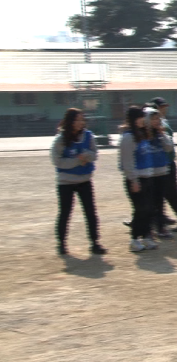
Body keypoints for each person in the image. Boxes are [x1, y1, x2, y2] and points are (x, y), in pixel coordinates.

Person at [51, 108, 106, 256]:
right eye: (77, 120)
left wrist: (87, 155)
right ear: (70, 121)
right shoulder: (61, 139)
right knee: (65, 212)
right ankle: (61, 243)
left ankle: (95, 242)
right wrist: (77, 161)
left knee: (90, 212)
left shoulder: (88, 136)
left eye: (82, 119)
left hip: (84, 180)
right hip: (66, 182)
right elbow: (57, 161)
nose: (81, 122)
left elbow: (94, 154)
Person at [119, 106, 171, 252]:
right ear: (134, 119)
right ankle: (135, 239)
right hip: (137, 179)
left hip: (148, 176)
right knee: (140, 210)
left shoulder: (143, 134)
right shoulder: (128, 137)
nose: (144, 120)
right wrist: (134, 180)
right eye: (141, 117)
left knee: (149, 209)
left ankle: (147, 237)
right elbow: (127, 162)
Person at [149, 97, 177, 232]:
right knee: (160, 194)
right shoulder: (161, 122)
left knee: (170, 193)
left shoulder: (162, 124)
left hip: (166, 163)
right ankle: (161, 218)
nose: (164, 109)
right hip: (163, 163)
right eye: (161, 107)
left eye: (164, 107)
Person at [143, 107, 173, 240]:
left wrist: (162, 134)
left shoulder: (160, 134)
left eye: (157, 119)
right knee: (148, 203)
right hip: (148, 173)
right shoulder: (141, 135)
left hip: (161, 171)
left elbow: (169, 147)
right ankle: (148, 228)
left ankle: (160, 227)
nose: (156, 121)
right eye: (153, 119)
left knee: (160, 202)